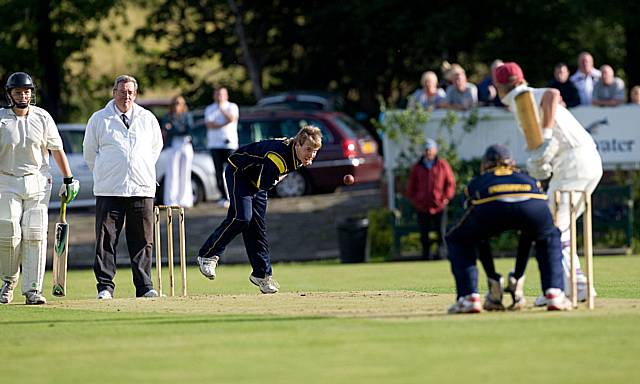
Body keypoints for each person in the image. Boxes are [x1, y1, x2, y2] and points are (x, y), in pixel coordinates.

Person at [494, 62, 603, 306]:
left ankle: (564, 287)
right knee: (560, 226)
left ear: (499, 87)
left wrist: (545, 134)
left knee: (551, 226)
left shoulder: (522, 96)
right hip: (586, 161)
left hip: (574, 161)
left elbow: (553, 94)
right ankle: (576, 285)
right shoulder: (521, 101)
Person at [196, 125, 322, 294]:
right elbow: (263, 183)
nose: (311, 155)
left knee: (258, 228)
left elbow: (271, 179)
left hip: (257, 179)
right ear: (298, 144)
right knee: (242, 218)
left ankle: (261, 275)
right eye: (308, 149)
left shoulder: (297, 154)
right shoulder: (278, 156)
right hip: (239, 172)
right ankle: (208, 255)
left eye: (315, 151)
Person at [446, 144, 571, 314]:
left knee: (460, 239)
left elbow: (470, 217)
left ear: (485, 165)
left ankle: (469, 298)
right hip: (534, 207)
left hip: (491, 207)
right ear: (511, 163)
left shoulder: (479, 180)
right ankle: (555, 293)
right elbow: (533, 225)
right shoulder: (527, 177)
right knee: (548, 236)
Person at [0, 72, 79, 305]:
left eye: (26, 91)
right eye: (18, 92)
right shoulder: (1, 119)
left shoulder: (43, 117)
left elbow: (56, 149)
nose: (23, 95)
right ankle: (8, 281)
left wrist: (68, 179)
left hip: (37, 180)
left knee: (35, 233)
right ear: (10, 94)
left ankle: (33, 289)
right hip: (6, 180)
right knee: (9, 233)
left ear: (32, 93)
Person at [83, 75, 163, 300]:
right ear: (113, 92)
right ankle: (105, 287)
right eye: (122, 91)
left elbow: (155, 148)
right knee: (106, 239)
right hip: (110, 188)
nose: (126, 96)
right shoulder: (99, 119)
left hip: (141, 187)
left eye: (130, 92)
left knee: (143, 240)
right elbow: (89, 153)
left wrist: (139, 166)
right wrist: (105, 172)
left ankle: (145, 286)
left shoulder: (147, 118)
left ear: (135, 94)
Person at [405, 138, 455, 260]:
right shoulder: (417, 167)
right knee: (424, 234)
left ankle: (442, 255)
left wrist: (446, 198)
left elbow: (450, 183)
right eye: (426, 149)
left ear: (435, 150)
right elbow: (411, 186)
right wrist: (416, 200)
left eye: (430, 149)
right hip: (422, 206)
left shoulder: (442, 165)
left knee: (441, 233)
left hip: (439, 205)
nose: (428, 152)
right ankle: (426, 256)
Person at [204, 86, 239, 208]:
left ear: (226, 95)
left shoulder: (232, 106)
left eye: (222, 94)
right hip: (215, 145)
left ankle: (234, 196)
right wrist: (222, 123)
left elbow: (231, 119)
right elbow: (209, 125)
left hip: (229, 145)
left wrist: (222, 109)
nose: (219, 96)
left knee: (232, 171)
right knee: (218, 172)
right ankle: (224, 197)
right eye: (217, 94)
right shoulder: (209, 109)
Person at [160, 95, 194, 207]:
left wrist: (173, 127)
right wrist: (176, 128)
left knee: (185, 173)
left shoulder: (187, 116)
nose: (177, 106)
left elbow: (188, 129)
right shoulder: (167, 116)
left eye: (179, 103)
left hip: (185, 144)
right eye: (175, 103)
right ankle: (171, 201)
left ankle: (185, 200)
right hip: (172, 146)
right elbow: (167, 129)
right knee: (172, 173)